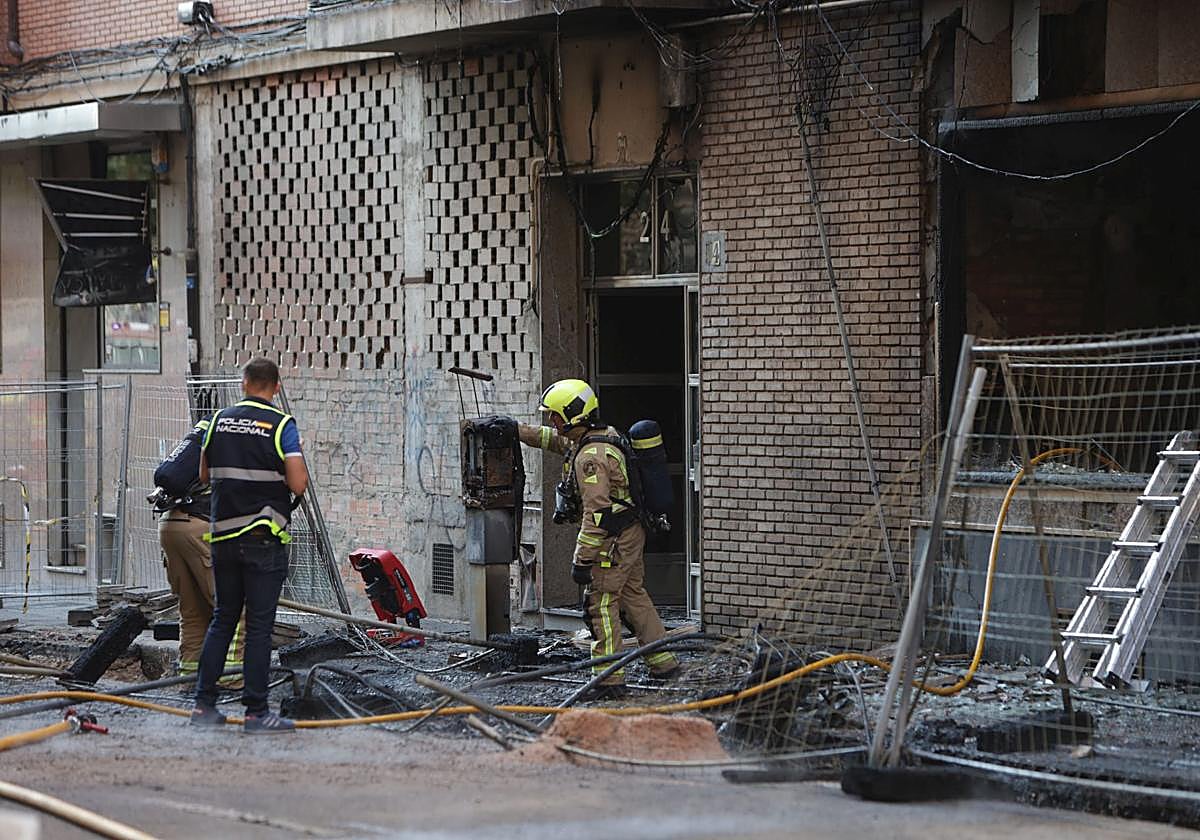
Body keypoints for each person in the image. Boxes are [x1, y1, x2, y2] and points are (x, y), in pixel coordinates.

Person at [517, 378, 679, 700]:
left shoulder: (590, 458)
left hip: (612, 538)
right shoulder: (602, 437)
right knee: (633, 596)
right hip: (630, 534)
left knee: (601, 604)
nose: (551, 422)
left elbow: (597, 514)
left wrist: (581, 560)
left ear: (574, 415)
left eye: (556, 415)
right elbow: (554, 440)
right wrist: (516, 431)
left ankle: (608, 679)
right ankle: (665, 665)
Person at [190, 357, 307, 733]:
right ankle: (256, 713)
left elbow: (204, 474)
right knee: (258, 627)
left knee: (223, 619)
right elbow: (298, 484)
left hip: (222, 538)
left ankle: (203, 706)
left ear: (243, 383)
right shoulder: (281, 425)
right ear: (276, 387)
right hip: (262, 539)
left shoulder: (217, 422)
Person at [153, 416, 245, 681]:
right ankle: (232, 678)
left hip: (170, 524)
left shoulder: (200, 442)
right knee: (234, 607)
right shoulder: (239, 443)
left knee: (192, 610)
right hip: (200, 527)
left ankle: (190, 678)